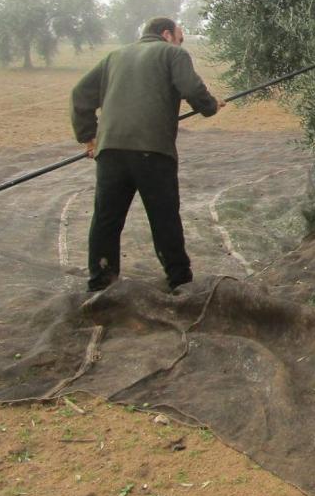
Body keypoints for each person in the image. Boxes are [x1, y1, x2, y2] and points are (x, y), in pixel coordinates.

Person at [71, 16, 224, 292]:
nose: (181, 42)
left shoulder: (114, 57)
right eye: (180, 36)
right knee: (164, 216)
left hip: (110, 151)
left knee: (106, 218)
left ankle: (100, 283)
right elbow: (191, 89)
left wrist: (89, 137)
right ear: (166, 34)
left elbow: (80, 93)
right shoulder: (172, 54)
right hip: (153, 151)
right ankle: (179, 281)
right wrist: (210, 105)